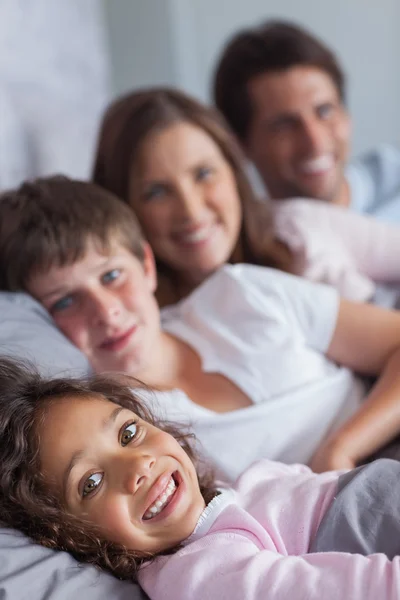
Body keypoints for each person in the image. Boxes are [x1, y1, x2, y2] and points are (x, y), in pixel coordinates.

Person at [3, 178, 400, 477]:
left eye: (111, 276)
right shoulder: (124, 435)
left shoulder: (241, 293)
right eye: (66, 302)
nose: (106, 313)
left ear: (146, 265)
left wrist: (340, 450)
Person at [2, 357, 400, 600]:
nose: (138, 466)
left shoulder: (223, 498)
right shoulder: (195, 575)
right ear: (69, 536)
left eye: (128, 434)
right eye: (90, 483)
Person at [92, 86, 400, 306]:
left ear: (234, 172)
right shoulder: (135, 324)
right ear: (123, 208)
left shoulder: (297, 225)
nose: (192, 211)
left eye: (203, 174)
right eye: (156, 192)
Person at [214, 20, 400, 221]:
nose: (315, 143)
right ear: (240, 145)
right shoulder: (250, 245)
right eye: (284, 125)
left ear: (346, 115)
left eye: (324, 111)